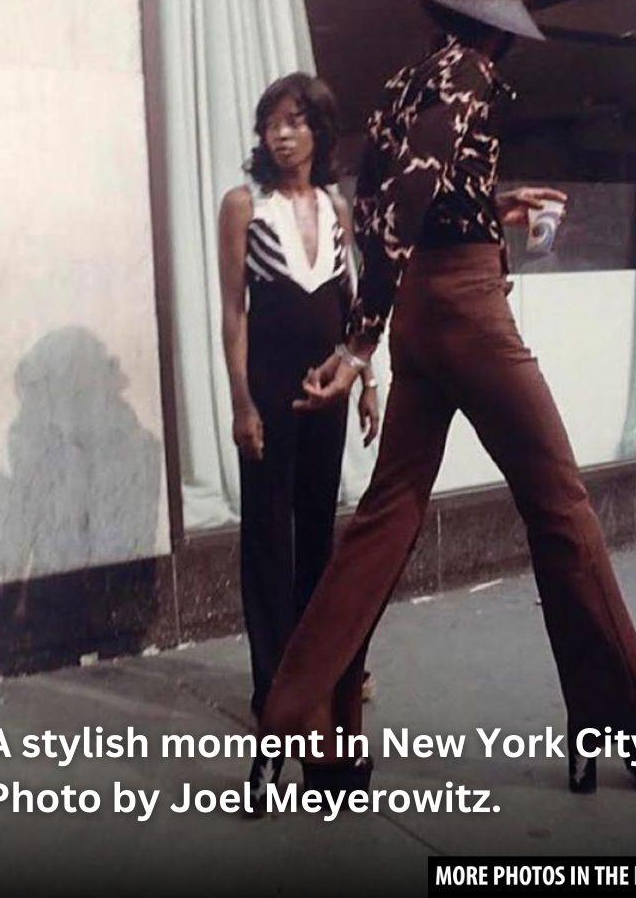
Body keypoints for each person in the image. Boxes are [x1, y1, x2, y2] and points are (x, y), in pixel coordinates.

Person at [260, 0, 636, 797]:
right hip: (465, 314)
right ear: (498, 18)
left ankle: (299, 712)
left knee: (387, 514)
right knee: (561, 509)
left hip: (425, 312)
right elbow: (406, 202)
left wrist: (494, 206)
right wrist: (357, 341)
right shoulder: (470, 73)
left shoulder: (410, 79)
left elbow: (389, 198)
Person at [217, 73, 380, 803]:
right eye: (270, 123)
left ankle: (314, 677)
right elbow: (234, 311)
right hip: (271, 386)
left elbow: (353, 308)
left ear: (318, 129)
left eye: (293, 121)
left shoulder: (338, 208)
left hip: (327, 388)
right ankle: (270, 688)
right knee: (266, 533)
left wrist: (367, 382)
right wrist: (241, 402)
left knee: (318, 529)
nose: (280, 135)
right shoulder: (244, 205)